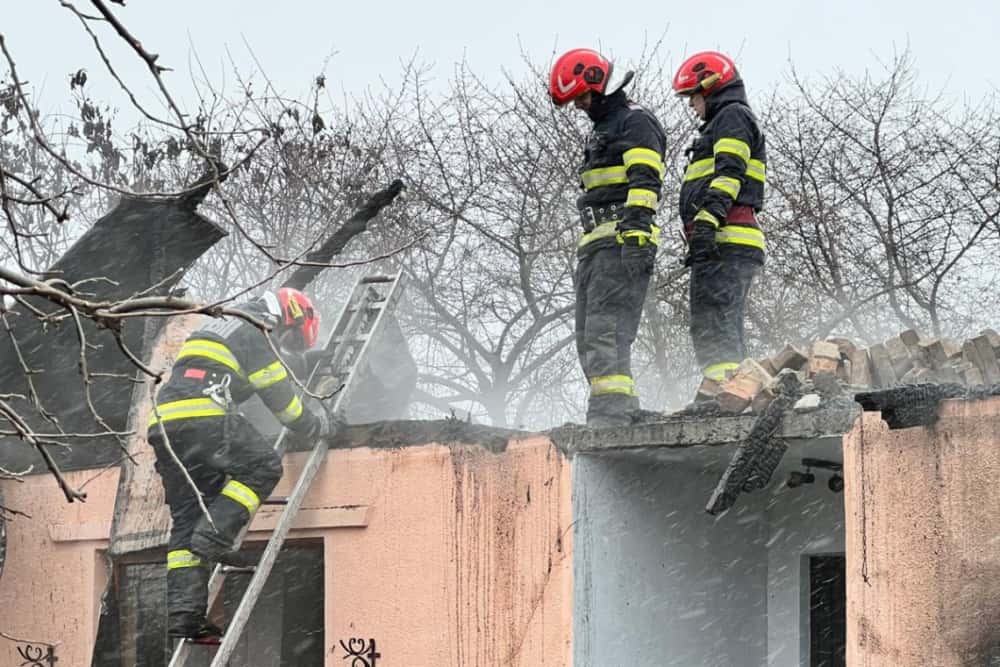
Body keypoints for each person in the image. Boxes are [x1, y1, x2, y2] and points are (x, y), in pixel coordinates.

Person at [148, 287, 332, 641]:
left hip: (165, 428)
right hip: (203, 418)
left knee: (187, 517)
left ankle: (186, 616)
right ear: (290, 316)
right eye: (292, 338)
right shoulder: (253, 327)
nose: (287, 344)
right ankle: (216, 535)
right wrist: (315, 425)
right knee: (263, 467)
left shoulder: (223, 325)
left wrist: (301, 364)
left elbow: (241, 380)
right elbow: (280, 399)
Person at [549, 48, 667, 427]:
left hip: (621, 238)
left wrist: (635, 233)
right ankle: (621, 407)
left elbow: (645, 180)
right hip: (597, 243)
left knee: (606, 328)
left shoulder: (633, 123)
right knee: (589, 332)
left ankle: (610, 413)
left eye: (582, 97)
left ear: (599, 85)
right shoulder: (604, 128)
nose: (581, 106)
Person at [673, 51, 767, 402]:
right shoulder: (727, 121)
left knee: (714, 323)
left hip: (724, 236)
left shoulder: (731, 117)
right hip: (726, 237)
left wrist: (708, 222)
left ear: (710, 88)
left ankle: (723, 395)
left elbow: (730, 173)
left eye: (693, 97)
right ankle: (733, 392)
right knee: (720, 321)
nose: (693, 106)